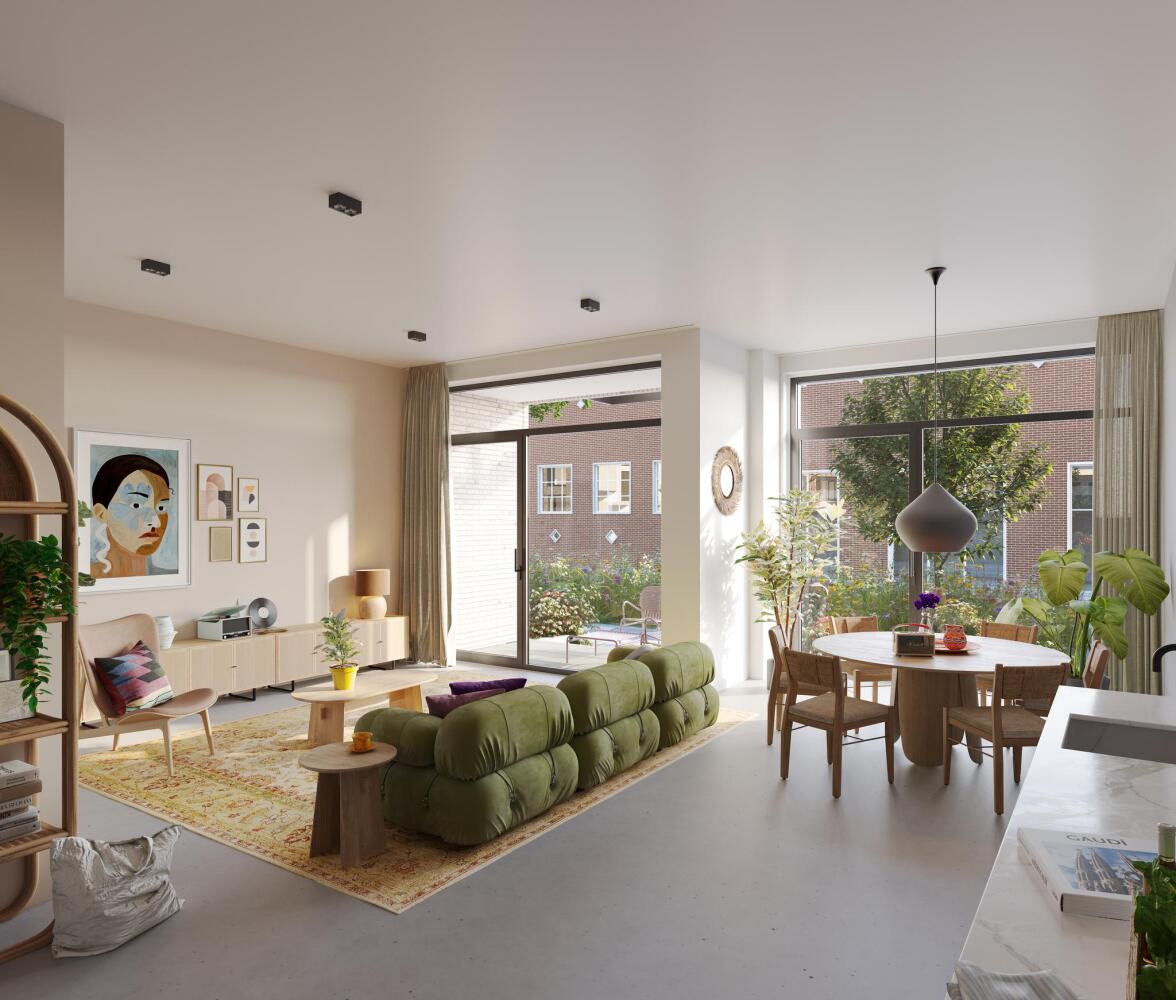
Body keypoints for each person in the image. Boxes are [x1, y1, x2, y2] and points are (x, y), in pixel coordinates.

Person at [90, 454, 172, 579]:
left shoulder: (168, 578)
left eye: (161, 508)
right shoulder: (79, 579)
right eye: (136, 505)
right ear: (101, 513)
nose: (156, 522)